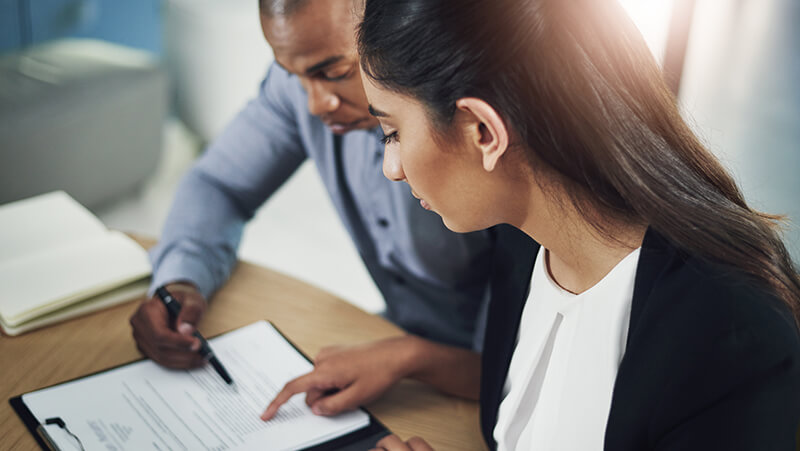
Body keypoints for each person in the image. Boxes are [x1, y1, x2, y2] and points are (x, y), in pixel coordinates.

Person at [268, 0, 800, 449]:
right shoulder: (523, 243)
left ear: (483, 131)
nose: (393, 168)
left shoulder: (731, 337)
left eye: (392, 132)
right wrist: (414, 358)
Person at [129, 0, 500, 417]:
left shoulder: (481, 139)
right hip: (391, 341)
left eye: (334, 73)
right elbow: (221, 182)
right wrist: (181, 279)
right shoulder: (306, 87)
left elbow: (521, 371)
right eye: (295, 76)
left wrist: (411, 358)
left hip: (487, 389)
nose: (314, 104)